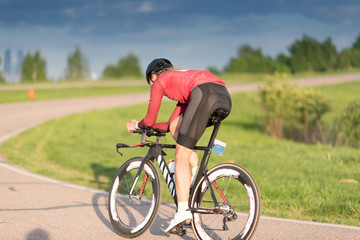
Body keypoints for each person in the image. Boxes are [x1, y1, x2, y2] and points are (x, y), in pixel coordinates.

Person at [126, 58, 232, 234]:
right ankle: (193, 177)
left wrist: (137, 125)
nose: (152, 85)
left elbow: (150, 120)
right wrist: (151, 126)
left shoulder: (159, 82)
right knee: (177, 127)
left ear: (154, 75)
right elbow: (169, 126)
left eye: (150, 82)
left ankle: (182, 211)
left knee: (180, 155)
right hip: (223, 96)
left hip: (204, 93)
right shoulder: (183, 83)